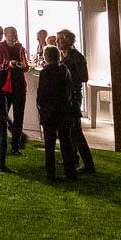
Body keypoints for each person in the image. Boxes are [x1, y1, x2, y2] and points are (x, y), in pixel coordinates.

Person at [37, 44, 77, 179]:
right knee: (66, 142)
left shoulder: (45, 72)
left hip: (49, 111)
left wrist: (40, 105)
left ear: (46, 57)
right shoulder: (64, 70)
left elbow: (42, 92)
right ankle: (70, 171)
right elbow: (70, 89)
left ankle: (50, 171)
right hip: (64, 109)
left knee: (49, 143)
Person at [57, 29, 95, 173]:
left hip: (73, 96)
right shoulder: (62, 55)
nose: (57, 42)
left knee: (76, 130)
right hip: (65, 95)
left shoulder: (77, 57)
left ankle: (88, 164)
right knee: (69, 129)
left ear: (67, 40)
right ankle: (72, 157)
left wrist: (67, 75)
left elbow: (84, 77)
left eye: (59, 39)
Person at [0, 26, 29, 154]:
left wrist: (25, 66)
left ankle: (15, 146)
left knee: (19, 117)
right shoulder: (0, 47)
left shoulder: (20, 47)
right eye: (10, 34)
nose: (12, 36)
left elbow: (25, 64)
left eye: (14, 34)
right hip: (6, 86)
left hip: (19, 85)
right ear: (5, 35)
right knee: (1, 116)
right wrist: (8, 64)